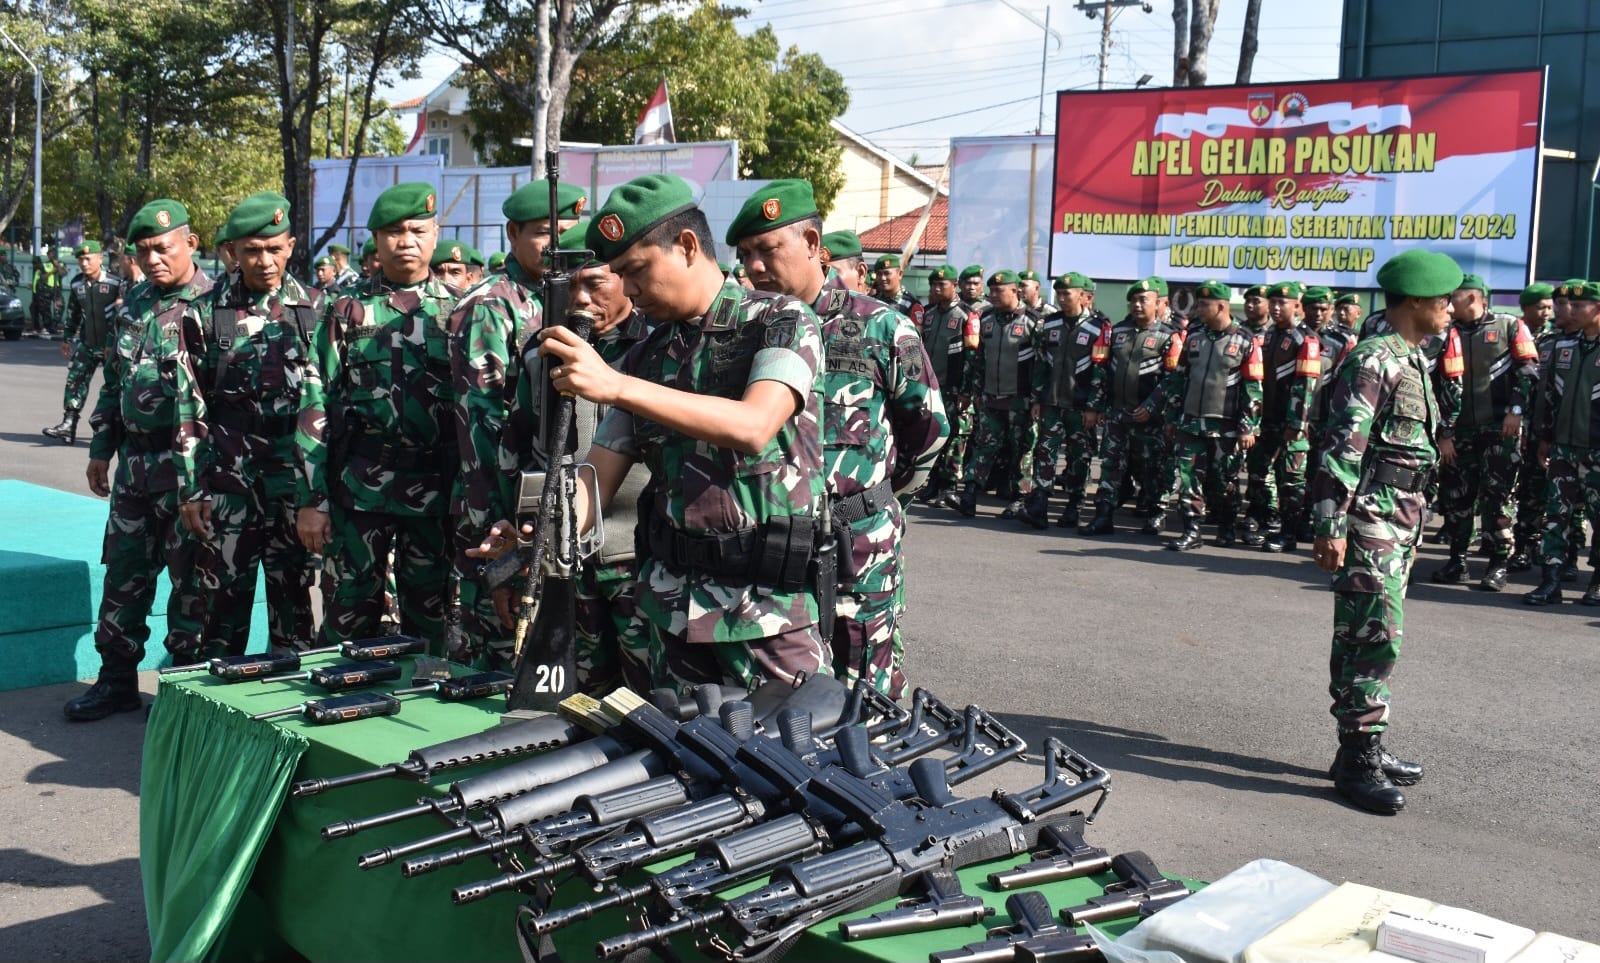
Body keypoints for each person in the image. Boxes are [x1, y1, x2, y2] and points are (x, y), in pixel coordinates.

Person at [490, 172, 830, 694]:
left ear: (688, 247)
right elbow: (595, 484)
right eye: (620, 274)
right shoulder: (646, 356)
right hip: (670, 612)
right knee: (680, 767)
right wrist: (542, 534)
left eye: (636, 270)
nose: (628, 289)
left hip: (766, 613)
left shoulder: (780, 321)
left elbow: (752, 425)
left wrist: (616, 385)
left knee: (788, 763)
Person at [729, 179, 946, 698]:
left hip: (859, 545)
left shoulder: (880, 328)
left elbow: (930, 431)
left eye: (768, 250)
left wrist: (879, 505)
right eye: (745, 255)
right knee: (783, 697)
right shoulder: (743, 333)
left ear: (812, 245)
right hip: (773, 548)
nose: (754, 267)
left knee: (867, 689)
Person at [1312, 247, 1459, 815]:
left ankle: (1359, 745)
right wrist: (1331, 524)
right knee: (1377, 635)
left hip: (1401, 513)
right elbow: (1343, 443)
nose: (1449, 308)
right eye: (1443, 299)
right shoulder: (1376, 359)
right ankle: (1359, 761)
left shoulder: (1413, 355)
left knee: (1364, 632)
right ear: (1417, 300)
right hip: (1372, 515)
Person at [485, 218, 657, 690]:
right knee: (574, 700)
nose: (580, 299)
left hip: (638, 560)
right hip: (563, 560)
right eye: (569, 286)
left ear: (625, 278)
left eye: (595, 283)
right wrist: (513, 553)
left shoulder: (658, 349)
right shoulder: (542, 356)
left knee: (646, 700)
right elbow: (517, 452)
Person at [64, 200, 215, 721]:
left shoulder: (216, 305)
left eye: (163, 248)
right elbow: (113, 382)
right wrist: (100, 448)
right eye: (144, 250)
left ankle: (181, 692)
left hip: (188, 471)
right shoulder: (131, 304)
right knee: (124, 576)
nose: (153, 259)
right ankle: (116, 681)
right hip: (133, 468)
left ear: (191, 245)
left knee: (191, 584)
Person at [295, 182, 459, 645]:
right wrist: (312, 500)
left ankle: (423, 708)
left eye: (416, 229)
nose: (405, 241)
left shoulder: (459, 311)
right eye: (392, 231)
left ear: (435, 234)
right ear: (375, 239)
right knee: (348, 612)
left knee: (431, 618)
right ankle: (337, 705)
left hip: (435, 492)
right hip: (362, 488)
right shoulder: (346, 310)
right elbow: (315, 404)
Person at [175, 191, 320, 653]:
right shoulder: (203, 312)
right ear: (232, 252)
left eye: (274, 248)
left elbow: (329, 407)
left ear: (291, 246)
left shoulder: (316, 308)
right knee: (222, 608)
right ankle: (220, 709)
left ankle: (286, 709)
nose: (264, 260)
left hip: (291, 485)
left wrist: (320, 493)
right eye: (252, 250)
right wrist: (192, 487)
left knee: (294, 604)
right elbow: (189, 407)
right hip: (229, 484)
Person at [449, 178, 587, 660]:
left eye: (570, 231)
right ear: (512, 234)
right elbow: (479, 432)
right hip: (501, 504)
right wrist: (498, 546)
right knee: (502, 651)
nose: (560, 244)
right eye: (545, 233)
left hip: (557, 507)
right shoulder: (492, 305)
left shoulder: (578, 298)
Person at [1428, 274, 1539, 592]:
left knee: (1497, 499)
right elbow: (1435, 384)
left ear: (1474, 298)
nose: (1448, 304)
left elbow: (1529, 371)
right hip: (1458, 432)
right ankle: (1457, 561)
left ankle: (1498, 564)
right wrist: (1444, 432)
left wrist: (1516, 410)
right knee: (1456, 498)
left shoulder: (1510, 326)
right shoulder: (1446, 333)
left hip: (1499, 430)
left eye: (1454, 297)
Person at [1161, 280, 1263, 550]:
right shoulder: (1194, 337)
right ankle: (1191, 530)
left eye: (1204, 305)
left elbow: (1253, 388)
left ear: (1221, 306)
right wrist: (1172, 417)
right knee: (1188, 476)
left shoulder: (1246, 341)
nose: (1199, 309)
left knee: (1224, 480)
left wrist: (1248, 426)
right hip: (1191, 423)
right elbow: (1179, 380)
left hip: (1226, 426)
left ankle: (1226, 528)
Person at [1081, 277, 1182, 537]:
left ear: (1158, 303)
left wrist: (1152, 406)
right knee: (1110, 466)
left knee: (1153, 467)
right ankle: (1103, 515)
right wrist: (1097, 406)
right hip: (1118, 415)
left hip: (1151, 419)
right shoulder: (1116, 332)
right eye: (1133, 300)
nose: (1137, 305)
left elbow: (1174, 379)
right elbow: (1101, 371)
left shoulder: (1169, 336)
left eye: (1143, 300)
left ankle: (1157, 513)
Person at [1524, 280, 1600, 606]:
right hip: (1563, 448)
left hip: (1596, 450)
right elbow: (1549, 397)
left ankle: (1596, 582)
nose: (1570, 310)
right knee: (1556, 515)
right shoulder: (1563, 347)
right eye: (1570, 305)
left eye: (1580, 306)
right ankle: (1550, 581)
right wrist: (1544, 437)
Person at [1022, 272, 1106, 530]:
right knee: (1045, 452)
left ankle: (1074, 506)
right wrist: (1037, 398)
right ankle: (1039, 505)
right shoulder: (1049, 324)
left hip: (1080, 406)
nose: (1062, 298)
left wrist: (1094, 407)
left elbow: (1100, 371)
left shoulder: (1099, 327)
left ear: (1082, 295)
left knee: (1079, 457)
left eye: (1067, 293)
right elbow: (1040, 365)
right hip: (1051, 404)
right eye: (1058, 293)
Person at [954, 270, 1039, 518]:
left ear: (1014, 291)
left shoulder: (1034, 321)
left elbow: (1042, 366)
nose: (992, 295)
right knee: (983, 447)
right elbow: (979, 360)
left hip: (1020, 400)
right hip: (991, 398)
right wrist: (975, 391)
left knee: (1021, 450)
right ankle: (969, 494)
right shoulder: (987, 319)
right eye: (990, 291)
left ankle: (1019, 499)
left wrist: (1036, 398)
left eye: (998, 291)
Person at [1255, 281, 1321, 554]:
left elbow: (1306, 385)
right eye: (1272, 303)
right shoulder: (1269, 335)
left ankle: (1289, 533)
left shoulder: (1305, 339)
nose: (1276, 307)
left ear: (1297, 306)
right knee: (1260, 472)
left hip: (1291, 423)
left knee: (1291, 479)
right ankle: (1269, 521)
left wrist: (1297, 423)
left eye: (1282, 303)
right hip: (1267, 418)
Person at [43, 242, 122, 445]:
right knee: (75, 380)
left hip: (112, 346)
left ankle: (121, 429)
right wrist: (67, 338)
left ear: (100, 258)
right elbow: (74, 313)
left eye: (88, 258)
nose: (84, 263)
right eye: (80, 259)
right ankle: (68, 425)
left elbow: (123, 315)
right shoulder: (77, 284)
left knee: (119, 386)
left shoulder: (116, 283)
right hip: (88, 343)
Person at [916, 265, 977, 505]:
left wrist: (966, 390)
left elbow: (972, 357)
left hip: (954, 388)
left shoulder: (966, 315)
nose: (937, 289)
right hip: (931, 386)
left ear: (955, 286)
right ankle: (932, 483)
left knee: (954, 437)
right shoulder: (928, 314)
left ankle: (949, 485)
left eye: (942, 285)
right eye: (933, 285)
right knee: (932, 434)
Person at [1509, 282, 1558, 572]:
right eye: (1540, 307)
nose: (1546, 313)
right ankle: (1520, 544)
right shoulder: (1514, 335)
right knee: (1520, 485)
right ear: (1525, 308)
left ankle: (1534, 544)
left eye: (1549, 308)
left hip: (1542, 425)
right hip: (1517, 424)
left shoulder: (1555, 340)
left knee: (1539, 487)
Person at [870, 253, 923, 326]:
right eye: (879, 274)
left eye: (887, 273)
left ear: (900, 274)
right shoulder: (872, 301)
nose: (883, 278)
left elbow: (916, 334)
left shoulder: (911, 304)